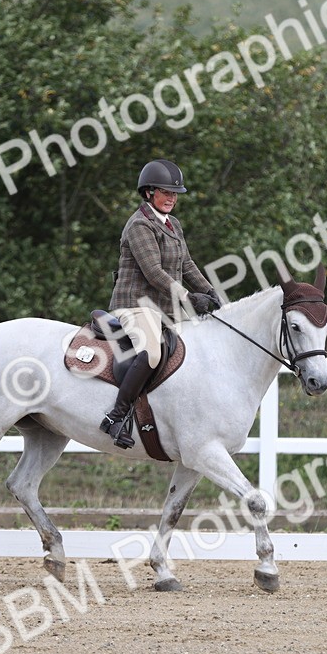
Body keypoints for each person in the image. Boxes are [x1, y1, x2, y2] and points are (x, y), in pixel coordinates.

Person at [100, 158, 221, 448]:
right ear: (148, 193)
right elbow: (154, 272)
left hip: (165, 310)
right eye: (165, 192)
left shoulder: (173, 225)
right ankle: (116, 417)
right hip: (135, 305)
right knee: (152, 354)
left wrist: (212, 293)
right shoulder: (139, 225)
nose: (171, 198)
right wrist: (189, 297)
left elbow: (187, 264)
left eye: (174, 194)